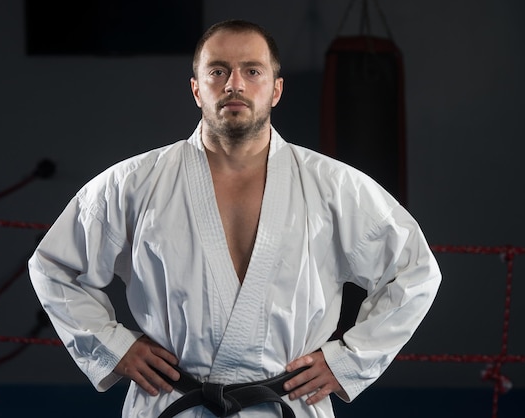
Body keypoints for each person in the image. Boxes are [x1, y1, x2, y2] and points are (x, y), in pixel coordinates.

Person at [28, 19, 441, 417]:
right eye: (218, 71)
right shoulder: (133, 183)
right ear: (196, 89)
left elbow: (414, 272)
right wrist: (112, 347)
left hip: (286, 404)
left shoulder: (335, 186)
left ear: (276, 90)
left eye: (252, 71)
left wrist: (348, 361)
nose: (234, 84)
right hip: (174, 402)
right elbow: (55, 265)